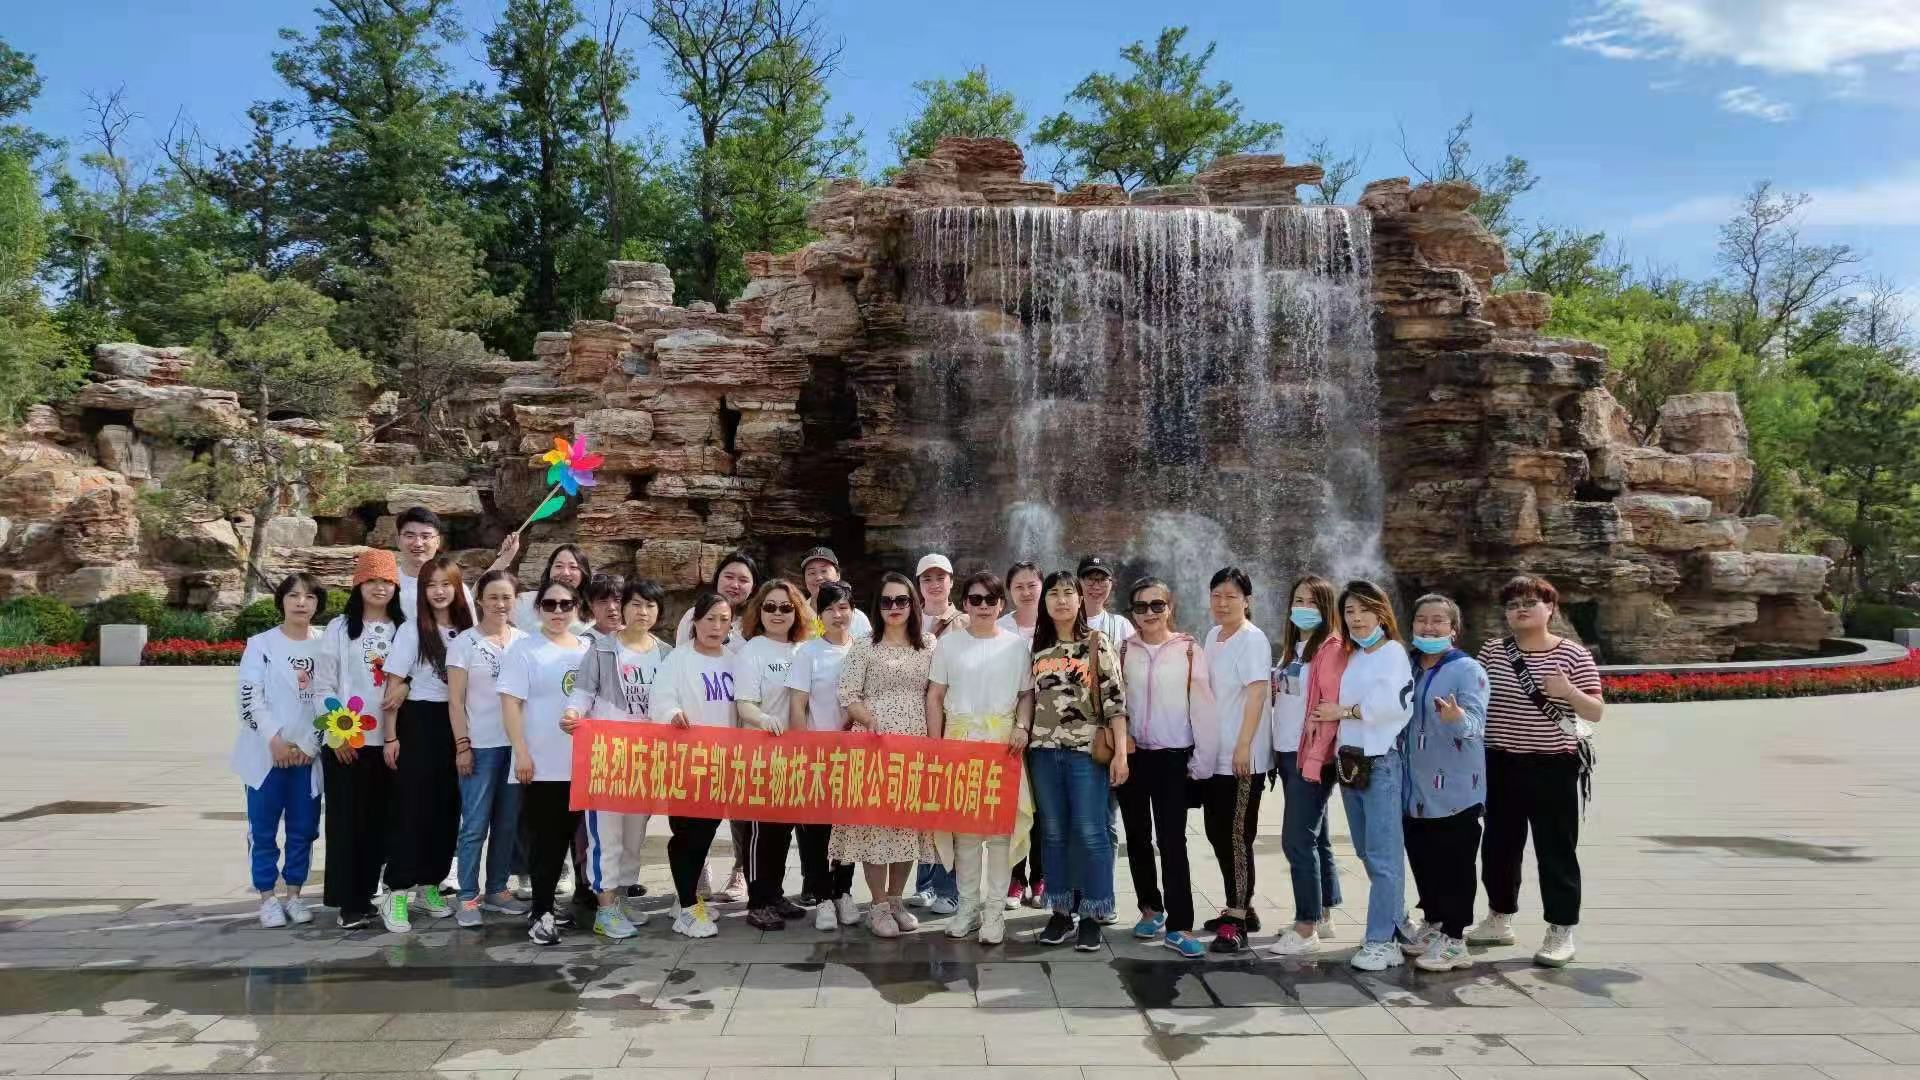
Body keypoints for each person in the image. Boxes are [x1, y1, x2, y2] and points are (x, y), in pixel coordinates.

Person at [1467, 574, 1604, 968]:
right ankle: (1499, 917)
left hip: (1553, 764)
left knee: (1555, 849)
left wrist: (1568, 692)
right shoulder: (1493, 651)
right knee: (1498, 846)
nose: (1521, 610)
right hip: (1500, 762)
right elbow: (1474, 697)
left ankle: (1561, 929)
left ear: (1551, 608)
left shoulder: (1573, 655)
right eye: (1513, 605)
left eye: (1530, 602)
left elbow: (1596, 711)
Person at [927, 571, 1034, 946]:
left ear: (1001, 604)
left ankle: (994, 912)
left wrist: (1022, 726)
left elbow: (1025, 694)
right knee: (966, 834)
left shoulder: (1016, 646)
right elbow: (935, 696)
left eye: (990, 599)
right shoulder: (949, 644)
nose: (983, 606)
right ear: (965, 604)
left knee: (1001, 834)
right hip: (960, 742)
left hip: (1002, 743)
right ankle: (968, 907)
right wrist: (936, 745)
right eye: (975, 599)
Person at [1026, 570, 1128, 952]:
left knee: (1090, 831)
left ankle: (1092, 914)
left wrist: (1121, 754)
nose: (1061, 600)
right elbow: (1027, 699)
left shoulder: (1097, 643)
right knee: (1053, 833)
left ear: (1080, 599)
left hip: (1086, 753)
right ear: (1045, 602)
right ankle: (1060, 911)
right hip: (1043, 752)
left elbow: (1116, 703)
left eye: (1068, 592)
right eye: (1053, 593)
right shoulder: (1037, 648)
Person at [565, 577, 670, 939]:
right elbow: (582, 693)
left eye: (650, 605)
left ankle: (621, 898)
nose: (643, 611)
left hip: (647, 758)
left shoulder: (666, 653)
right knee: (605, 834)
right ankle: (605, 909)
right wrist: (573, 714)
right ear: (623, 608)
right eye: (636, 604)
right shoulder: (602, 649)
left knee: (633, 835)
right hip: (607, 756)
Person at [1117, 576, 1215, 959]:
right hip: (1134, 755)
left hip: (1174, 757)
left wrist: (1202, 760)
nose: (1150, 613)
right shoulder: (1124, 649)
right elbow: (1114, 702)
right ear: (1132, 612)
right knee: (1137, 836)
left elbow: (1203, 707)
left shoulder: (1188, 649)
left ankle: (1180, 925)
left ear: (1170, 607)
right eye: (1141, 607)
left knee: (1173, 841)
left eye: (1157, 605)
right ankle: (1150, 908)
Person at [833, 572, 935, 938]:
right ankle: (876, 906)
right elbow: (848, 695)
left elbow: (937, 693)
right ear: (878, 606)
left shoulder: (929, 644)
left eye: (901, 600)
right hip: (873, 746)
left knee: (906, 826)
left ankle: (896, 900)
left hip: (915, 747)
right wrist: (870, 721)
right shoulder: (865, 645)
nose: (894, 607)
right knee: (874, 827)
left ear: (913, 604)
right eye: (887, 601)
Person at [1323, 579, 1415, 972]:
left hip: (1380, 763)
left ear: (1381, 613)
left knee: (1383, 855)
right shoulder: (1356, 655)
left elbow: (1393, 706)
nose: (1356, 618)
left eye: (1364, 610)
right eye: (1349, 611)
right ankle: (1398, 920)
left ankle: (1382, 941)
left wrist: (1343, 712)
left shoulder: (1392, 652)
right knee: (1365, 850)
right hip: (1351, 763)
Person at [379, 555, 473, 926]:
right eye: (431, 585)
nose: (438, 592)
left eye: (446, 584)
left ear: (457, 588)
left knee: (447, 809)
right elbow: (393, 687)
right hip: (420, 721)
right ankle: (397, 890)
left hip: (459, 723)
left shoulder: (468, 630)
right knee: (413, 808)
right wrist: (390, 736)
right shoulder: (412, 631)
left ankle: (430, 883)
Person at [315, 550, 404, 930]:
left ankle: (368, 893)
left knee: (380, 823)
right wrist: (337, 734)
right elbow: (323, 685)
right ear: (358, 584)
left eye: (387, 581)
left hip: (390, 741)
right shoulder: (339, 628)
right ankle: (348, 902)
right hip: (348, 742)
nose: (379, 588)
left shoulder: (404, 628)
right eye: (372, 580)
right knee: (347, 823)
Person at [1402, 593, 1491, 972]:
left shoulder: (1467, 669)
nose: (1428, 627)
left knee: (1455, 863)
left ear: (1453, 629)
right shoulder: (1408, 665)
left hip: (1455, 787)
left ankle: (1455, 939)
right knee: (1423, 858)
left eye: (1438, 620)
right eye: (1422, 619)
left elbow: (1476, 725)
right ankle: (1434, 922)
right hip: (1413, 786)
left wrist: (1456, 718)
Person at [499, 579, 590, 946]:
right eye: (550, 604)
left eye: (565, 604)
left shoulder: (587, 649)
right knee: (546, 841)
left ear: (576, 608)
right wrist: (521, 751)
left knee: (574, 840)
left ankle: (559, 905)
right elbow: (510, 703)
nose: (558, 611)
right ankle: (541, 913)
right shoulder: (525, 649)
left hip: (583, 763)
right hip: (542, 763)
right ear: (538, 609)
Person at [233, 573, 326, 929]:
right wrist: (274, 740)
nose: (301, 603)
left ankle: (295, 895)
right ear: (282, 601)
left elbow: (331, 697)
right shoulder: (261, 645)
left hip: (307, 756)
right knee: (264, 829)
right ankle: (267, 897)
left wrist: (311, 744)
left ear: (318, 604)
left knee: (303, 828)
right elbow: (249, 696)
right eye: (293, 595)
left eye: (309, 597)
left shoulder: (325, 645)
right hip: (266, 754)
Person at [1268, 575, 1349, 957]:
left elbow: (1329, 711)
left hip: (1310, 756)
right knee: (1318, 837)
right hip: (1287, 751)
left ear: (1327, 608)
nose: (1303, 608)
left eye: (1312, 602)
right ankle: (1324, 913)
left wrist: (1316, 760)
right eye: (1298, 600)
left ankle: (1306, 928)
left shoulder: (1330, 649)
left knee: (1297, 841)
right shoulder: (1293, 648)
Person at [654, 590, 742, 939]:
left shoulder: (734, 660)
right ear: (695, 622)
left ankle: (685, 897)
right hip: (686, 762)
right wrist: (673, 713)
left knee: (705, 832)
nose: (716, 626)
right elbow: (661, 699)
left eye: (724, 620)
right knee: (687, 833)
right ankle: (688, 908)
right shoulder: (679, 659)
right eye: (710, 619)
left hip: (722, 763)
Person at [446, 569, 529, 927]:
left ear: (515, 601)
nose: (500, 604)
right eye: (492, 597)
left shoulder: (525, 641)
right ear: (479, 600)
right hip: (480, 747)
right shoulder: (464, 643)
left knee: (507, 824)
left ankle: (497, 889)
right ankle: (467, 896)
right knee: (475, 825)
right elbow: (455, 701)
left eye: (506, 597)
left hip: (516, 746)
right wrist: (462, 745)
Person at [673, 550, 757, 903]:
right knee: (697, 806)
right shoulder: (694, 615)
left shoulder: (754, 620)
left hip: (741, 729)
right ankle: (699, 869)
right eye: (729, 577)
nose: (735, 584)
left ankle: (740, 870)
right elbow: (682, 667)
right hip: (699, 731)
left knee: (742, 806)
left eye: (744, 579)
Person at [1199, 566, 1273, 954]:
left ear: (1246, 600)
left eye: (1231, 596)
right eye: (1216, 595)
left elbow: (1257, 694)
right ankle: (1241, 905)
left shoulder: (1252, 639)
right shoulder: (1213, 636)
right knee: (1216, 832)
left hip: (1243, 757)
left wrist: (1244, 745)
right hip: (1215, 754)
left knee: (1237, 837)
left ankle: (1238, 920)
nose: (1222, 602)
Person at [735, 579, 817, 930]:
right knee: (760, 829)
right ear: (759, 611)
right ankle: (758, 900)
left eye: (786, 607)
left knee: (783, 829)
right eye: (770, 607)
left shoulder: (804, 650)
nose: (777, 613)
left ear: (797, 612)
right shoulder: (752, 650)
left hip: (795, 754)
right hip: (760, 752)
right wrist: (765, 720)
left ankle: (775, 893)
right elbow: (744, 704)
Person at [786, 580, 862, 931]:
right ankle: (822, 897)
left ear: (853, 611)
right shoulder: (808, 653)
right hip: (818, 754)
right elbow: (798, 705)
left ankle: (843, 891)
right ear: (819, 615)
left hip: (855, 755)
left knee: (849, 827)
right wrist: (803, 750)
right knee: (817, 830)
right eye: (829, 609)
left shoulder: (863, 649)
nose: (837, 615)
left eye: (843, 607)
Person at [907, 554, 964, 914]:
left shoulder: (964, 622)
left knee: (947, 809)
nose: (934, 584)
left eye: (940, 577)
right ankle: (924, 885)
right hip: (913, 723)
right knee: (922, 808)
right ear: (919, 585)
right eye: (927, 578)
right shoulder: (908, 618)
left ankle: (948, 888)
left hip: (950, 723)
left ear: (951, 581)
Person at [997, 560, 1047, 909]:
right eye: (1019, 586)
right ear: (1009, 591)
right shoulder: (1000, 627)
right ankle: (1015, 878)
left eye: (1032, 585)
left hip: (1048, 729)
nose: (1026, 592)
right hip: (1007, 728)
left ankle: (1041, 876)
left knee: (1042, 807)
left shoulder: (1054, 623)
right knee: (1012, 804)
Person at [514, 545, 592, 635]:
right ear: (549, 570)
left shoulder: (595, 609)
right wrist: (504, 561)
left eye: (573, 567)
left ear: (583, 573)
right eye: (559, 566)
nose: (565, 573)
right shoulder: (525, 601)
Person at [799, 546, 872, 639]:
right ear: (804, 579)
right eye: (812, 573)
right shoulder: (796, 615)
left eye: (824, 571)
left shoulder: (857, 618)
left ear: (838, 575)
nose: (819, 577)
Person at [1077, 554, 1137, 645]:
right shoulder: (1064, 622)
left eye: (1103, 580)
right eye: (1090, 579)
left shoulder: (1121, 625)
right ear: (1077, 582)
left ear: (1111, 584)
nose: (1096, 587)